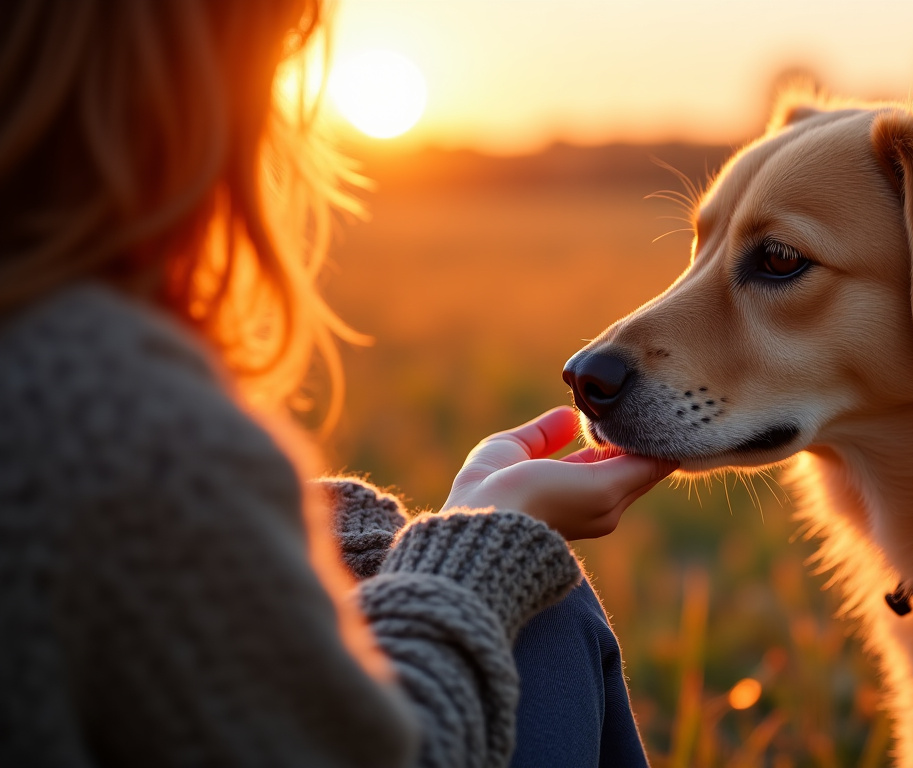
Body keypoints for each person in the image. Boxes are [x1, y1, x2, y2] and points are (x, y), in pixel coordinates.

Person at [0, 1, 673, 766]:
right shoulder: (112, 415)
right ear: (191, 91)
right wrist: (486, 538)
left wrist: (376, 539)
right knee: (541, 610)